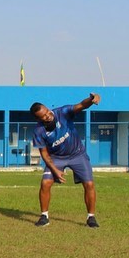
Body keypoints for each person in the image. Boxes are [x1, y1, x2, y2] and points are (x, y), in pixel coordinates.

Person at [30, 93, 101, 228]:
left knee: (89, 184)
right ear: (38, 119)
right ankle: (44, 216)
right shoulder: (38, 131)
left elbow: (81, 105)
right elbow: (44, 154)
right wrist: (55, 170)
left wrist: (91, 100)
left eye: (47, 111)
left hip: (77, 154)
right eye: (44, 116)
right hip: (56, 158)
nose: (48, 115)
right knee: (45, 183)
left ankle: (91, 218)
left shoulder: (62, 112)